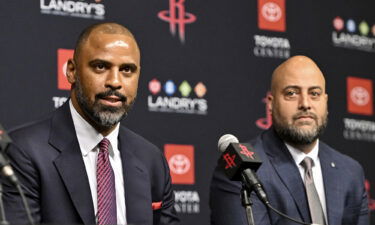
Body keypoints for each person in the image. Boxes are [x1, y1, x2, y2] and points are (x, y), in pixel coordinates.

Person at [3, 22, 179, 225]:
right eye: (101, 66)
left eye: (127, 70)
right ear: (72, 71)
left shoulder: (152, 160)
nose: (115, 81)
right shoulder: (23, 151)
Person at [210, 55, 369, 225]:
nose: (305, 103)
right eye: (292, 93)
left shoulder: (350, 172)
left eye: (315, 93)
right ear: (271, 103)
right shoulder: (242, 170)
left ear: (325, 102)